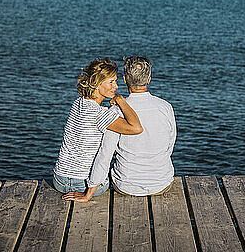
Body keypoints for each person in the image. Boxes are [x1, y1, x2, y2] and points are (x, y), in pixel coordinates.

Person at [63, 56, 176, 201]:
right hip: (161, 183)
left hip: (126, 186)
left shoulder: (115, 111)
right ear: (149, 79)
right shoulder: (166, 107)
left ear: (124, 79)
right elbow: (169, 145)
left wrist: (89, 192)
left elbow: (105, 155)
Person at [53, 57, 143, 196]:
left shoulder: (78, 103)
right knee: (116, 179)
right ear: (97, 83)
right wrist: (120, 101)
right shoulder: (100, 114)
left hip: (59, 179)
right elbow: (136, 128)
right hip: (81, 183)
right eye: (111, 82)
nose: (116, 86)